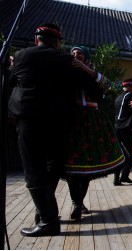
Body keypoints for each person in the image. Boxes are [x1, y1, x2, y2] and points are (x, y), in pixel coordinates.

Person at [8, 23, 98, 237]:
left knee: (34, 170)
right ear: (58, 42)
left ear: (36, 39)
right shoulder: (68, 61)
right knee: (52, 166)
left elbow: (10, 82)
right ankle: (44, 214)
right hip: (60, 122)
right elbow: (93, 88)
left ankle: (47, 219)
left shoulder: (22, 56)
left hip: (30, 119)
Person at [64, 46, 127, 221]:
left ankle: (78, 203)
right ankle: (76, 201)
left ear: (86, 57)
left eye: (80, 54)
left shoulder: (93, 74)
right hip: (73, 120)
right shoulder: (66, 73)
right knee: (71, 166)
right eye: (73, 54)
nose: (76, 56)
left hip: (92, 121)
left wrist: (85, 70)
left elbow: (111, 86)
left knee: (87, 166)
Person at [113, 79, 132, 186]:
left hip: (117, 128)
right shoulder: (131, 97)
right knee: (131, 156)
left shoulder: (118, 97)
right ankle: (123, 177)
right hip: (126, 129)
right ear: (129, 87)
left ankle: (118, 178)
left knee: (120, 154)